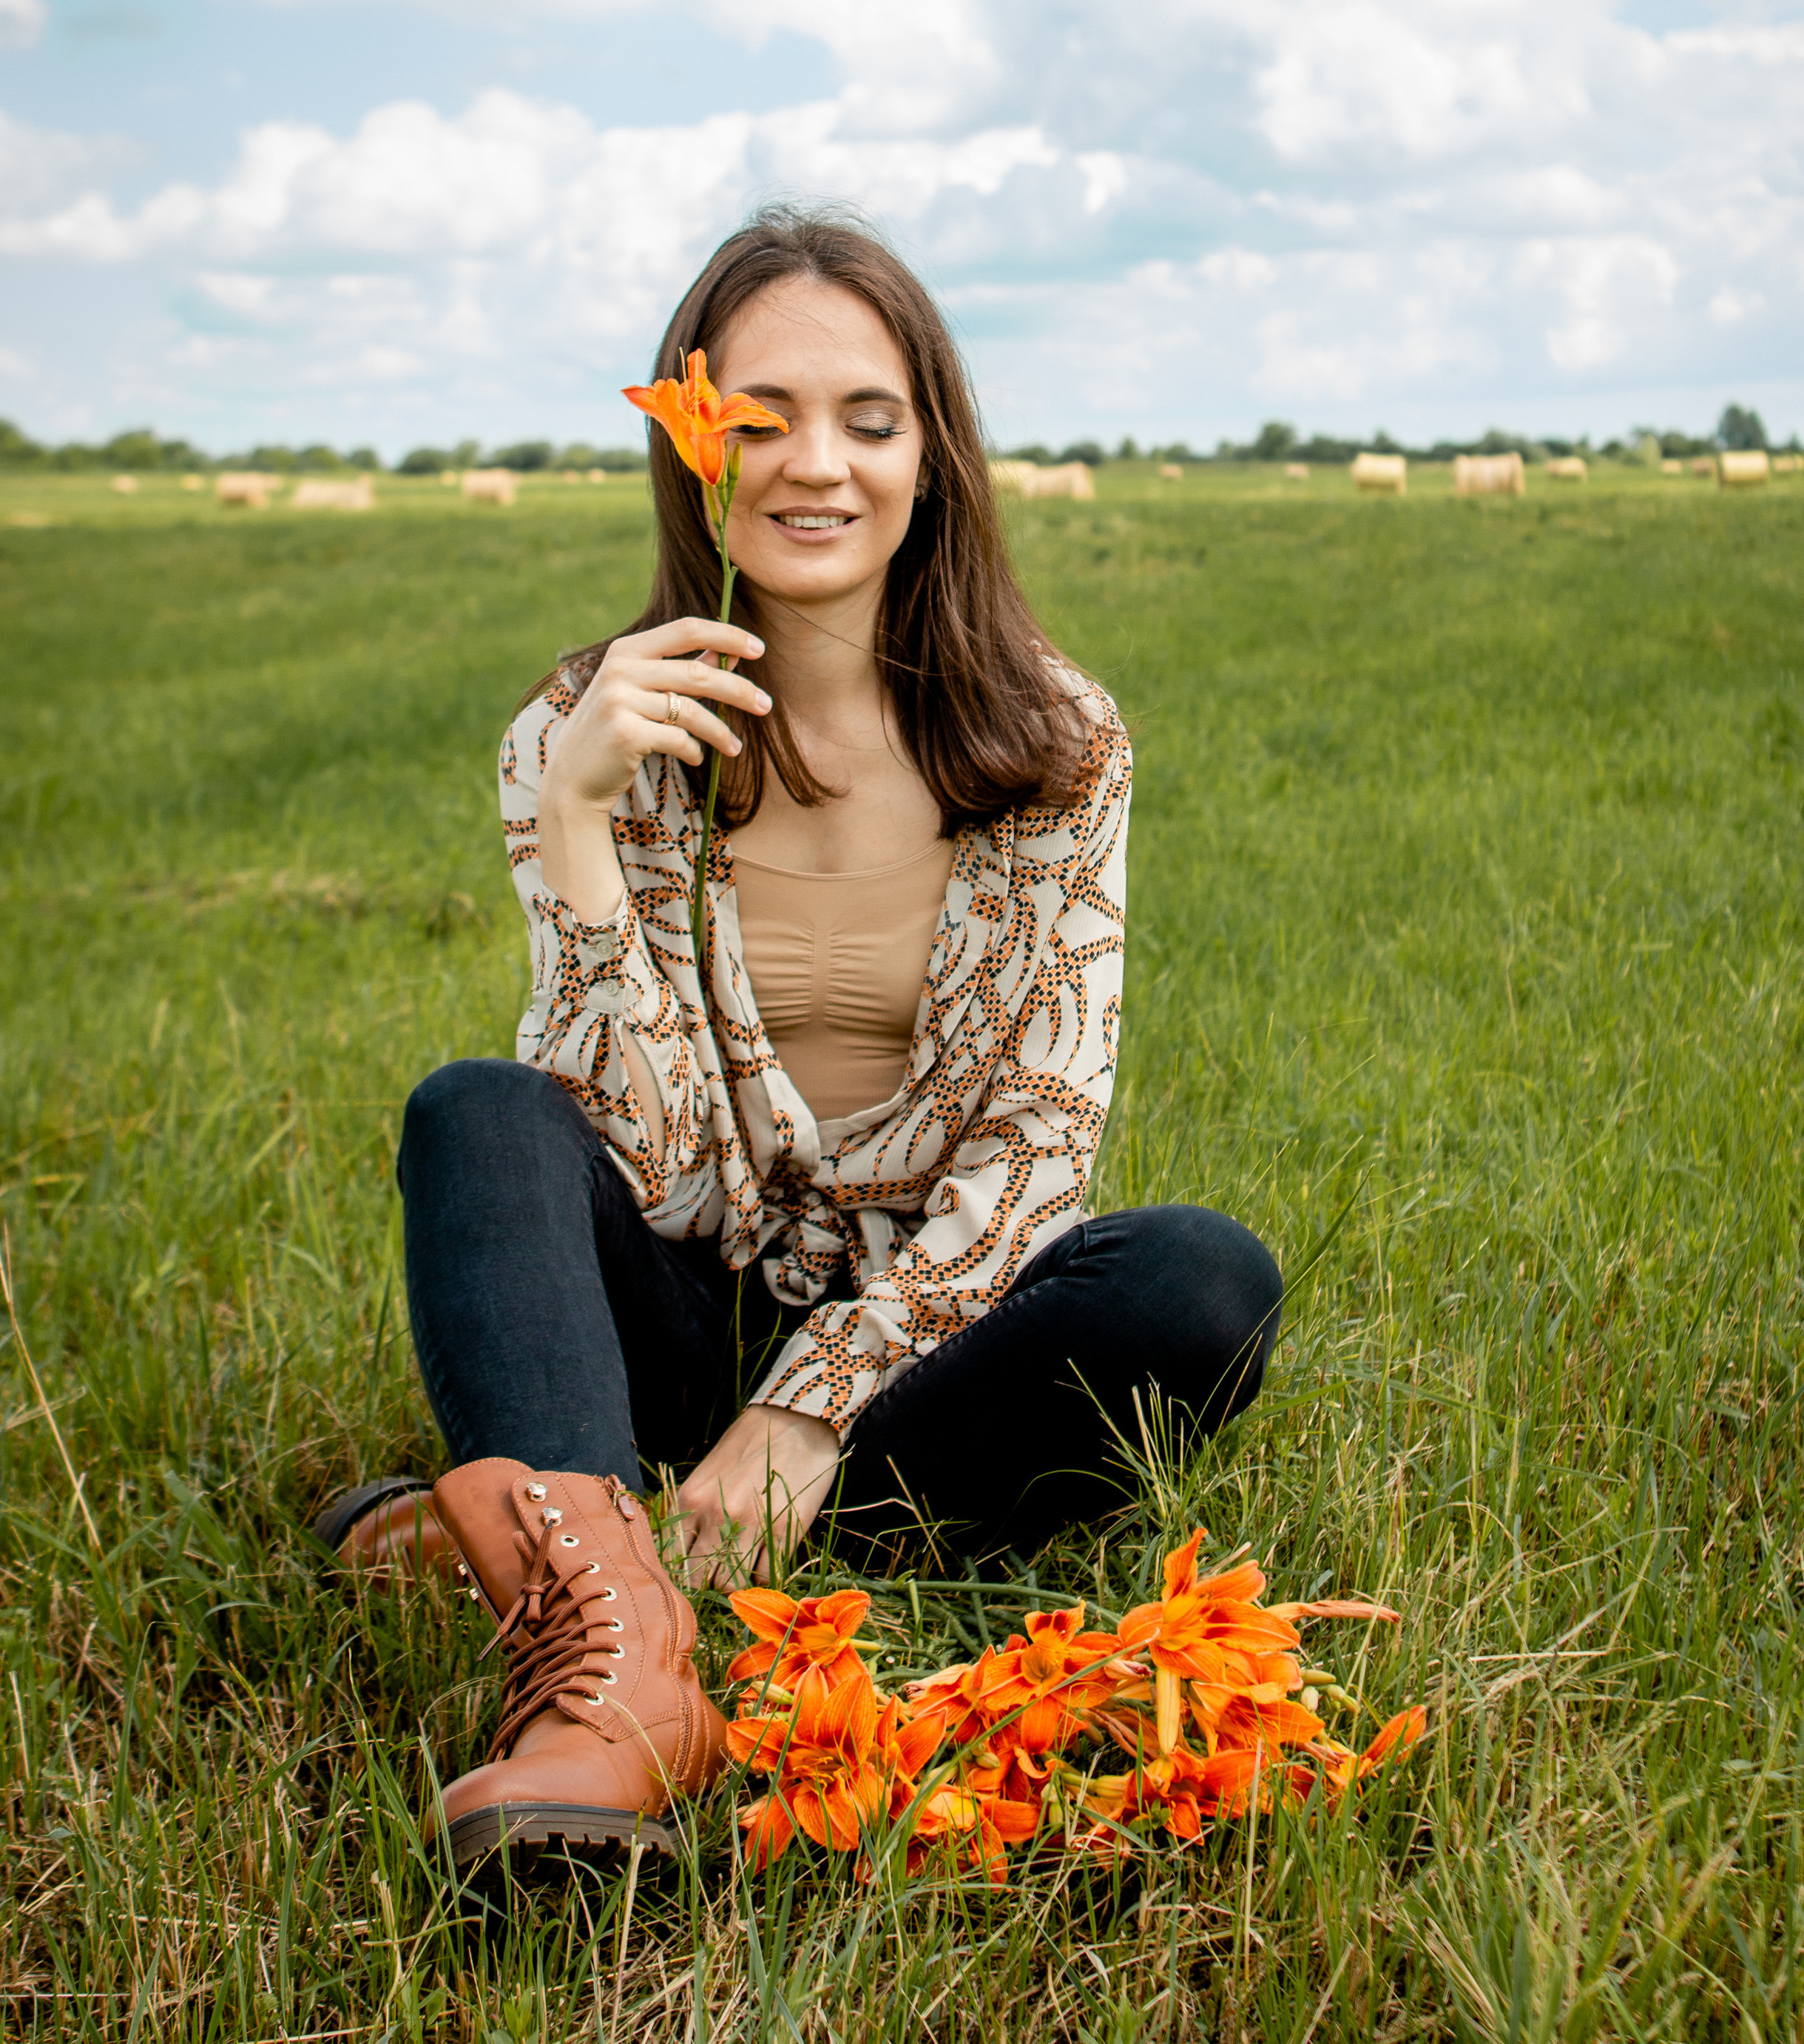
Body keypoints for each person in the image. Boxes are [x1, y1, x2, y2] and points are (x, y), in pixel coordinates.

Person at [317, 206, 1284, 1872]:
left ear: (933, 452)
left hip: (916, 1368)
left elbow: (1034, 1156)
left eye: (866, 417)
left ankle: (568, 1536)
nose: (809, 464)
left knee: (1196, 1284)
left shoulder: (1058, 742)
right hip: (682, 1315)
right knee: (480, 1114)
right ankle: (617, 1683)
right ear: (696, 444)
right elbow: (650, 1160)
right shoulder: (582, 730)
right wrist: (575, 826)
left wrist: (814, 1408)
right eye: (755, 417)